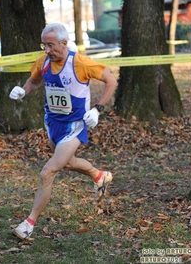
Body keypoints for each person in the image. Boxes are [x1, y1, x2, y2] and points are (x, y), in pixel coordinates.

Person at [9, 23, 118, 240]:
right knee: (68, 163)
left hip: (75, 126)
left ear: (64, 43)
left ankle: (29, 223)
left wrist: (98, 109)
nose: (47, 50)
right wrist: (23, 90)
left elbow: (111, 81)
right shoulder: (44, 61)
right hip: (53, 123)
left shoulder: (80, 62)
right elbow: (34, 80)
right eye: (44, 45)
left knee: (47, 172)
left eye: (50, 45)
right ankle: (100, 176)